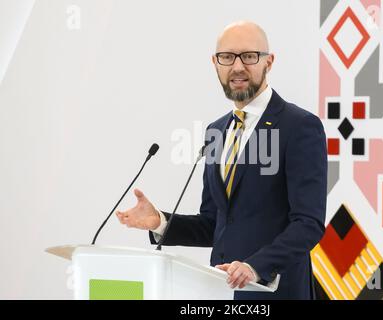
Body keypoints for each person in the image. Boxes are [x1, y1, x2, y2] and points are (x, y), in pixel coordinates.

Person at [116, 21, 327, 300]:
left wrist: (255, 267)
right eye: (227, 57)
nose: (237, 67)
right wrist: (160, 222)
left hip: (277, 293)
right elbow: (214, 224)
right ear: (215, 63)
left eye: (249, 56)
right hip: (221, 294)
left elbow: (308, 223)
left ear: (269, 62)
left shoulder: (299, 126)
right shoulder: (216, 131)